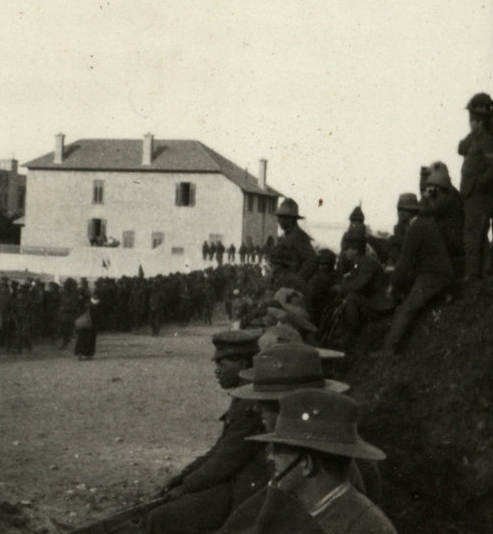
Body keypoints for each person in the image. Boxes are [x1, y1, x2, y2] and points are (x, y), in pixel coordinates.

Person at [141, 329, 268, 534]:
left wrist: (187, 486)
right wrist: (183, 477)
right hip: (235, 480)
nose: (216, 371)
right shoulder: (244, 396)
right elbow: (220, 449)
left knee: (161, 518)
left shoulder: (249, 403)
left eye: (222, 364)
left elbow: (226, 460)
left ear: (242, 364)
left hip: (243, 492)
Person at [220, 389, 397, 534]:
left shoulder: (364, 527)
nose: (270, 457)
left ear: (306, 463)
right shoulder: (307, 507)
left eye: (277, 449)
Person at [378, 190, 454, 355]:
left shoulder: (416, 227)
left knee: (406, 308)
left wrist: (392, 284)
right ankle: (444, 295)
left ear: (406, 212)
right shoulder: (423, 223)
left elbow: (405, 262)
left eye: (399, 210)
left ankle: (388, 351)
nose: (398, 213)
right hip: (436, 272)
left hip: (434, 276)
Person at [328, 227, 392, 353]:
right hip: (372, 300)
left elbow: (359, 285)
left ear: (355, 250)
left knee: (352, 298)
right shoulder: (359, 262)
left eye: (347, 249)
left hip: (380, 304)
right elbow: (351, 279)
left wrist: (341, 288)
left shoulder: (367, 263)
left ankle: (351, 334)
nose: (344, 253)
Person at [458, 92, 493, 281]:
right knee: (474, 235)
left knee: (474, 236)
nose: (470, 123)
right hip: (472, 195)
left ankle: (474, 274)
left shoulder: (488, 140)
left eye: (472, 120)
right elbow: (461, 147)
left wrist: (475, 185)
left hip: (480, 196)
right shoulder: (475, 138)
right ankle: (479, 273)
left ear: (479, 122)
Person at [419, 161, 465, 280]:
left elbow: (424, 212)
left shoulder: (449, 196)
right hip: (450, 239)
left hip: (451, 240)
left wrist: (425, 196)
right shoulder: (449, 193)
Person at [275, 199, 317, 281]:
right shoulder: (286, 236)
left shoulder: (298, 236)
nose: (278, 221)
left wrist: (297, 280)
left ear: (290, 219)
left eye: (281, 217)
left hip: (290, 285)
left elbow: (312, 261)